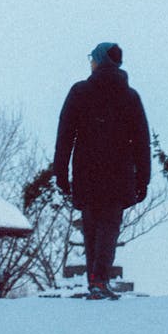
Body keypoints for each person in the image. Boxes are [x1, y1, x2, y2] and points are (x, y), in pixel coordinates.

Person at [54, 42, 151, 300]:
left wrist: (60, 172)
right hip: (119, 173)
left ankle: (95, 281)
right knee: (109, 225)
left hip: (87, 172)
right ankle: (99, 280)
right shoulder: (130, 97)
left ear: (97, 61)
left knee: (91, 226)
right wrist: (143, 179)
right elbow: (142, 140)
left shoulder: (79, 92)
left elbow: (65, 135)